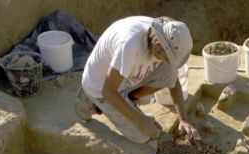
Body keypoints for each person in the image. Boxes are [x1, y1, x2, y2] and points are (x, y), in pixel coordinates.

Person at [75, 16, 200, 144]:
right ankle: (89, 99)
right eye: (166, 58)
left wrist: (183, 119)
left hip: (124, 75)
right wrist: (141, 122)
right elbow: (108, 91)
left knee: (169, 71)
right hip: (101, 85)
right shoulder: (130, 46)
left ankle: (129, 99)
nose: (167, 61)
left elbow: (173, 80)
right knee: (142, 136)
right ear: (158, 46)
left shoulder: (161, 34)